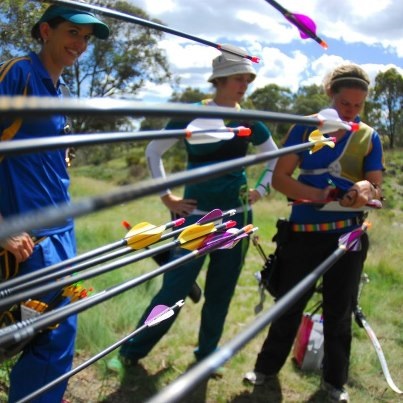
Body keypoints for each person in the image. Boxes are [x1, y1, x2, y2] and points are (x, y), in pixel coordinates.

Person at [113, 47, 278, 372]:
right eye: (237, 78)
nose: (243, 84)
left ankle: (206, 358)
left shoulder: (248, 119)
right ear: (219, 79)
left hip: (237, 220)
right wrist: (168, 198)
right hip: (196, 219)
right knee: (174, 288)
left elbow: (272, 153)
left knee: (221, 292)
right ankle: (131, 352)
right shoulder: (190, 112)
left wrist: (260, 189)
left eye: (248, 78)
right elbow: (153, 150)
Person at [243, 64, 384, 402]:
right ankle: (265, 369)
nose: (350, 111)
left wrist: (365, 188)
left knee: (339, 311)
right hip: (303, 232)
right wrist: (319, 196)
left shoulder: (369, 136)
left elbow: (377, 188)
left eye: (357, 106)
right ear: (330, 96)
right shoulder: (307, 127)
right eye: (344, 104)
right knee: (290, 303)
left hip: (347, 237)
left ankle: (335, 382)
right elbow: (280, 179)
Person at [0, 5, 109, 402]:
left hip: (62, 233)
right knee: (45, 335)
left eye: (87, 39)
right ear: (46, 31)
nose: (80, 45)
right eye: (72, 33)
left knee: (55, 335)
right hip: (28, 239)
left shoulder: (59, 91)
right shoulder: (19, 74)